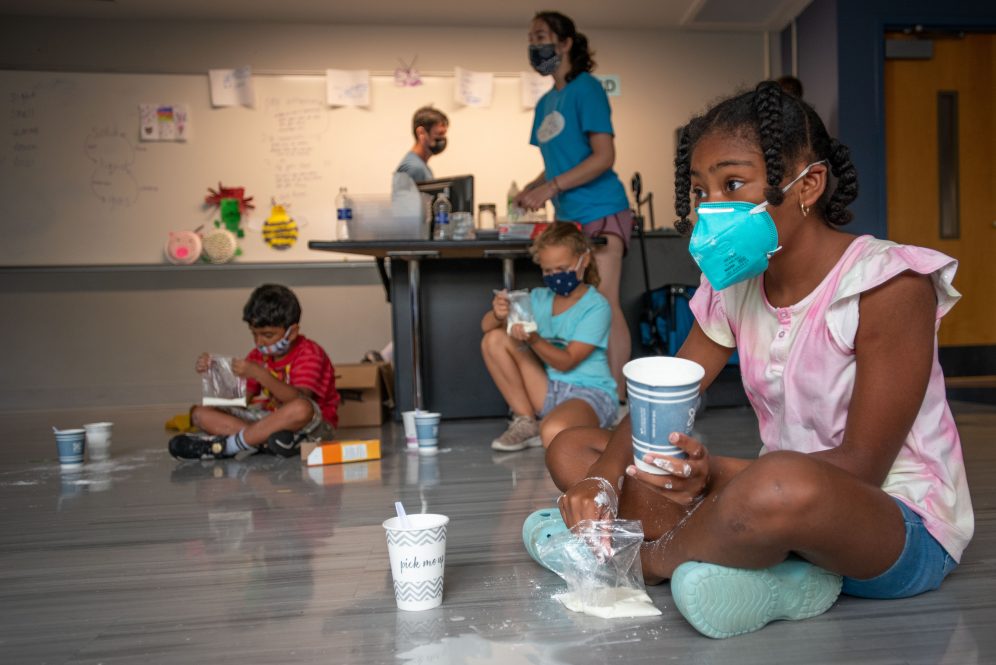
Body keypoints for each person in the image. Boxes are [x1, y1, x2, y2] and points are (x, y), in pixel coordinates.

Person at [540, 80, 974, 638]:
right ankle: (762, 575)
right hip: (771, 500)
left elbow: (864, 466)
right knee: (576, 449)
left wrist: (710, 473)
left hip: (890, 520)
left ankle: (644, 560)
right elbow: (665, 395)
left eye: (734, 183)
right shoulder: (736, 285)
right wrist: (599, 483)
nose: (712, 208)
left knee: (779, 485)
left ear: (808, 185)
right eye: (701, 190)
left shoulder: (889, 285)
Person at [515, 11, 633, 404]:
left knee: (604, 301)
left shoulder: (588, 89)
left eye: (543, 36)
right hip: (567, 218)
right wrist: (532, 188)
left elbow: (603, 157)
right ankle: (583, 391)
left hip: (601, 209)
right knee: (578, 303)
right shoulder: (546, 102)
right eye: (531, 38)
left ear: (565, 43)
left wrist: (550, 187)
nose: (535, 45)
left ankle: (616, 399)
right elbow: (555, 164)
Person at [482, 222, 617, 452]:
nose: (555, 277)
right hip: (547, 387)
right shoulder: (538, 298)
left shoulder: (596, 307)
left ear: (584, 260)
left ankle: (590, 427)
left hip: (589, 392)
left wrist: (533, 338)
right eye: (548, 271)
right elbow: (486, 327)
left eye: (562, 269)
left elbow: (566, 362)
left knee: (554, 433)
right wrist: (498, 313)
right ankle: (526, 422)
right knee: (494, 339)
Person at [169, 284, 339, 460]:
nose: (259, 342)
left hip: (311, 426)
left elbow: (299, 399)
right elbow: (242, 401)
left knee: (301, 408)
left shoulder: (310, 353)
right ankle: (265, 443)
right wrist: (215, 372)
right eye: (254, 334)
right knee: (200, 412)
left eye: (267, 335)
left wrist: (260, 374)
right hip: (269, 423)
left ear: (292, 332)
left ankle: (229, 446)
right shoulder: (257, 356)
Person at [396, 106, 449, 184]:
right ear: (421, 133)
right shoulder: (414, 169)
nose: (443, 139)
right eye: (439, 133)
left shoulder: (421, 167)